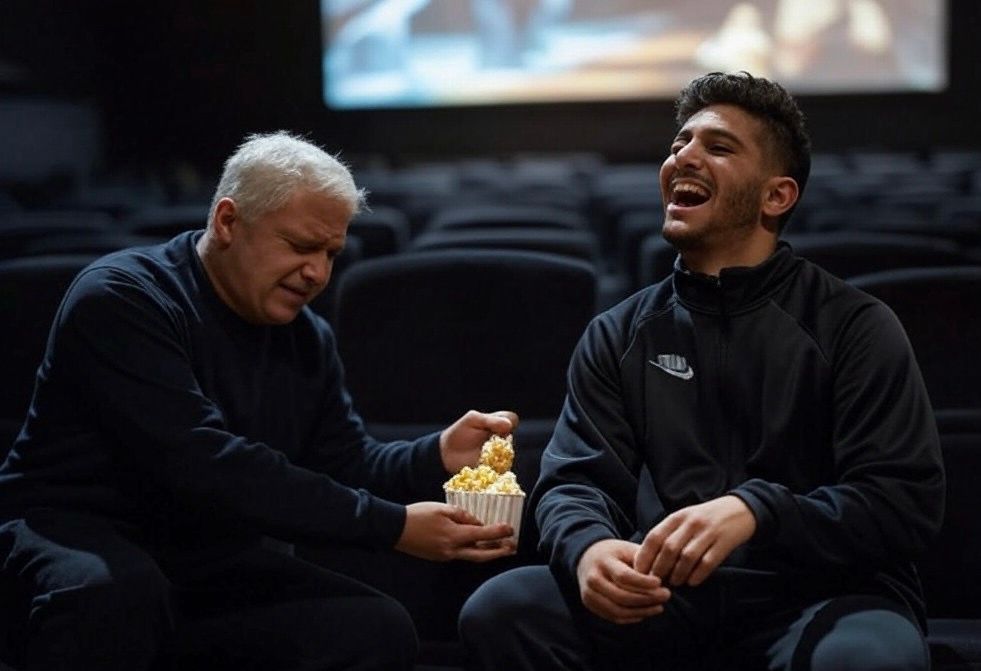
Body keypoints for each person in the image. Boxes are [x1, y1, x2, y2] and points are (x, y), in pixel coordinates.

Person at [460, 72, 944, 670]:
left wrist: (756, 513)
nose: (684, 157)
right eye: (679, 144)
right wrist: (590, 550)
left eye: (717, 147)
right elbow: (574, 482)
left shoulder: (854, 325)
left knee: (866, 659)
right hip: (675, 597)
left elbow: (901, 502)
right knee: (504, 609)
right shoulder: (619, 332)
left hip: (824, 594)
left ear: (776, 196)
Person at [0, 131, 518, 670]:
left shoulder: (305, 335)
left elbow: (344, 462)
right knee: (117, 595)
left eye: (331, 254)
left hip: (198, 556)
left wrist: (436, 454)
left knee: (375, 628)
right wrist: (393, 526)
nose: (318, 273)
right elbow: (204, 464)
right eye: (300, 246)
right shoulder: (122, 297)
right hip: (72, 531)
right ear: (228, 221)